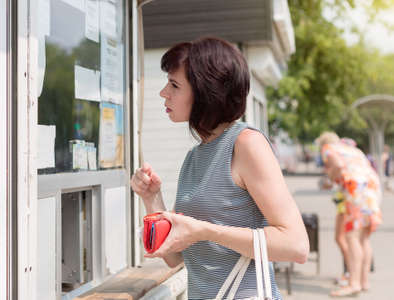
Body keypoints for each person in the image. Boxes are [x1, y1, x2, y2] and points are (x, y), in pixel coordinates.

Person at [131, 37, 309, 299]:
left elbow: (296, 245)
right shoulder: (194, 157)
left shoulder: (246, 144)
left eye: (174, 84)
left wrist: (205, 231)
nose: (163, 93)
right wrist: (151, 198)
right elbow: (174, 256)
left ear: (205, 92)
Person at [317, 132, 382, 297]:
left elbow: (338, 166)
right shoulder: (352, 149)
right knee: (364, 238)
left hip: (356, 190)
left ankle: (354, 284)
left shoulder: (328, 148)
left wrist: (331, 178)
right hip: (372, 188)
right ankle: (364, 281)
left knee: (352, 237)